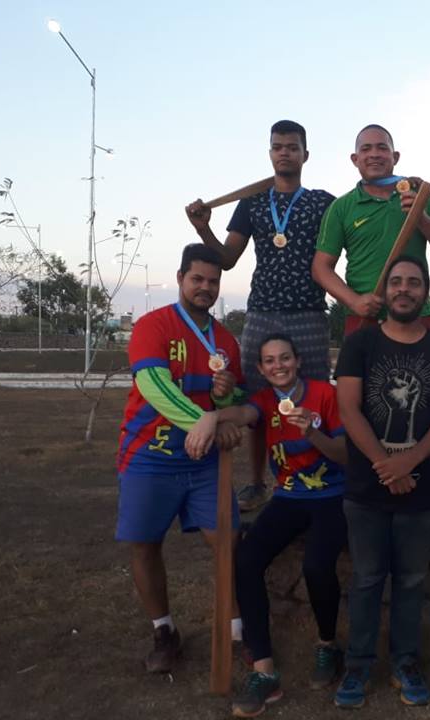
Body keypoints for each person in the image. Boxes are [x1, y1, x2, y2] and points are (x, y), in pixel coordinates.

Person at [184, 334, 348, 718]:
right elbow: (242, 415)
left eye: (285, 358)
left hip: (332, 497)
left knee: (317, 566)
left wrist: (312, 432)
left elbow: (346, 456)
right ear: (261, 369)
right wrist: (211, 416)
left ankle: (327, 645)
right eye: (270, 361)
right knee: (245, 560)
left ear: (297, 361)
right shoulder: (263, 401)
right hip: (289, 498)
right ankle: (264, 670)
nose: (279, 366)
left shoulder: (326, 394)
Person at [331, 255, 430, 708]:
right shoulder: (360, 343)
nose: (404, 289)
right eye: (396, 282)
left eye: (413, 282)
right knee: (368, 579)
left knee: (411, 581)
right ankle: (358, 667)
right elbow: (349, 408)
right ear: (385, 290)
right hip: (367, 489)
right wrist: (384, 464)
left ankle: (405, 664)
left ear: (425, 292)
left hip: (421, 489)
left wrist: (408, 461)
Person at [185, 120, 335, 512]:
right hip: (263, 313)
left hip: (308, 313)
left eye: (292, 147)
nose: (284, 152)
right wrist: (204, 229)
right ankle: (256, 483)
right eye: (277, 147)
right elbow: (229, 259)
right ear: (270, 153)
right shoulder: (251, 202)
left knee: (315, 398)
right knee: (258, 399)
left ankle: (318, 476)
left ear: (306, 154)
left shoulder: (323, 202)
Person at [115, 243, 247, 674]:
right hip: (149, 454)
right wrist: (205, 419)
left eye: (213, 281)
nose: (205, 287)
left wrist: (225, 401)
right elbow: (153, 385)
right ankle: (164, 631)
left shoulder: (225, 340)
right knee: (145, 543)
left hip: (204, 460)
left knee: (226, 542)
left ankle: (238, 629)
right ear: (180, 278)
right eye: (198, 279)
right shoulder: (153, 325)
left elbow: (240, 395)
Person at [312, 124, 430, 336]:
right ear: (355, 159)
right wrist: (354, 301)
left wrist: (419, 216)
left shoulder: (420, 195)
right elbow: (321, 268)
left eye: (382, 148)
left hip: (418, 313)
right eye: (366, 149)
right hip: (365, 317)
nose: (374, 154)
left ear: (395, 156)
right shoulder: (340, 207)